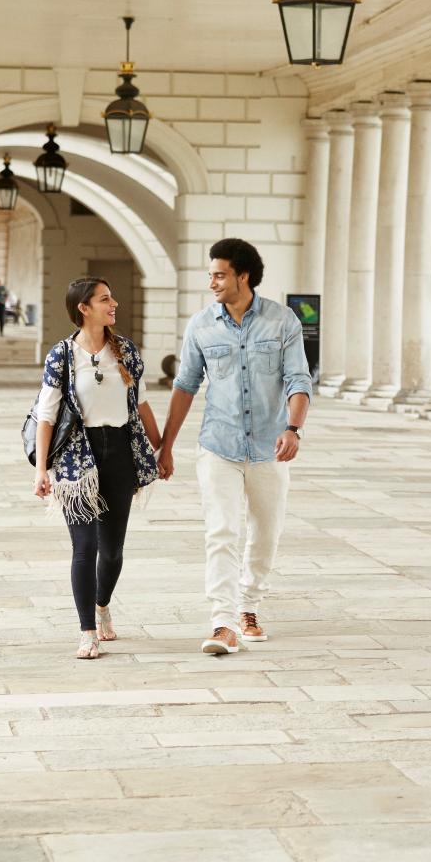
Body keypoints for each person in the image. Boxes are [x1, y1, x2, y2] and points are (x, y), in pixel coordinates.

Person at [158, 238, 311, 655]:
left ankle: (249, 605)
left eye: (220, 274)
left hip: (269, 447)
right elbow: (185, 386)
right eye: (211, 274)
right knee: (221, 530)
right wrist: (166, 446)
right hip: (218, 445)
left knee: (265, 533)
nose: (212, 282)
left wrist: (293, 428)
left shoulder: (283, 322)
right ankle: (222, 622)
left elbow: (299, 379)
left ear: (243, 275)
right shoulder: (201, 325)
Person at [33, 277, 162, 659]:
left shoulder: (125, 351)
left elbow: (141, 405)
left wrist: (163, 449)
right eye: (105, 299)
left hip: (120, 452)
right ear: (84, 309)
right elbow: (46, 414)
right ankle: (87, 630)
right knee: (84, 547)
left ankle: (102, 604)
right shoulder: (62, 355)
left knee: (113, 551)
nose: (114, 304)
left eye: (112, 297)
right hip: (77, 459)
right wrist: (41, 469)